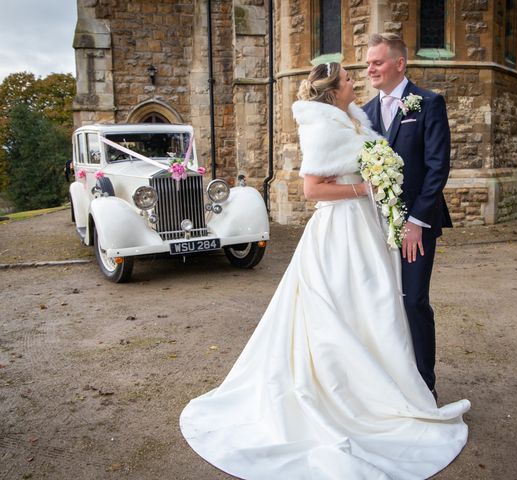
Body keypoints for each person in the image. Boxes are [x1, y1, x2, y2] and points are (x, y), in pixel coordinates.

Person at [180, 63, 469, 480]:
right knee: (343, 308)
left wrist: (377, 184)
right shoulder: (322, 125)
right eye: (349, 79)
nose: (357, 81)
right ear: (334, 90)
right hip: (340, 230)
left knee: (375, 305)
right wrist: (366, 187)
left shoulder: (354, 118)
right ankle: (345, 392)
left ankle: (380, 384)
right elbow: (312, 188)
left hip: (365, 228)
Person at [363, 33, 453, 400]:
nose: (370, 69)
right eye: (368, 63)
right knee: (382, 303)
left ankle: (424, 385)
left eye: (377, 62)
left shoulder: (428, 104)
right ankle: (390, 381)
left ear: (399, 64)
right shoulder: (365, 113)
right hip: (374, 226)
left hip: (417, 224)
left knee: (413, 299)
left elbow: (437, 167)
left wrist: (416, 221)